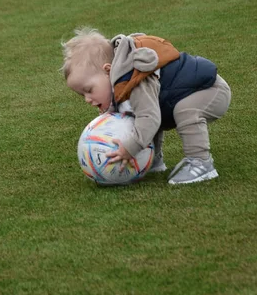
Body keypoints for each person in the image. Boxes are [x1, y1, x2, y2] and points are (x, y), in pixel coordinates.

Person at [62, 29, 231, 185]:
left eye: (89, 90)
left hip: (210, 91)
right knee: (138, 115)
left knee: (184, 111)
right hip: (189, 94)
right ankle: (154, 160)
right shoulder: (120, 83)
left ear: (108, 71)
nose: (87, 99)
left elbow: (149, 119)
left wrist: (130, 148)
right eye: (82, 95)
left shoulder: (135, 80)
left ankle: (201, 163)